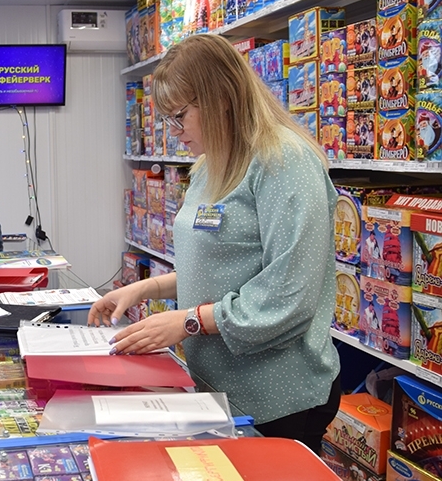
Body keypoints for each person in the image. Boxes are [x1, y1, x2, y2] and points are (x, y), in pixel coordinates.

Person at [88, 33, 341, 456]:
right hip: (221, 385)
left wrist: (189, 322)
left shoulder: (286, 162)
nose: (174, 131)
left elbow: (290, 293)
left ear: (220, 96)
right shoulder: (210, 165)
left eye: (180, 115)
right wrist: (146, 288)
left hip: (277, 398)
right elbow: (224, 264)